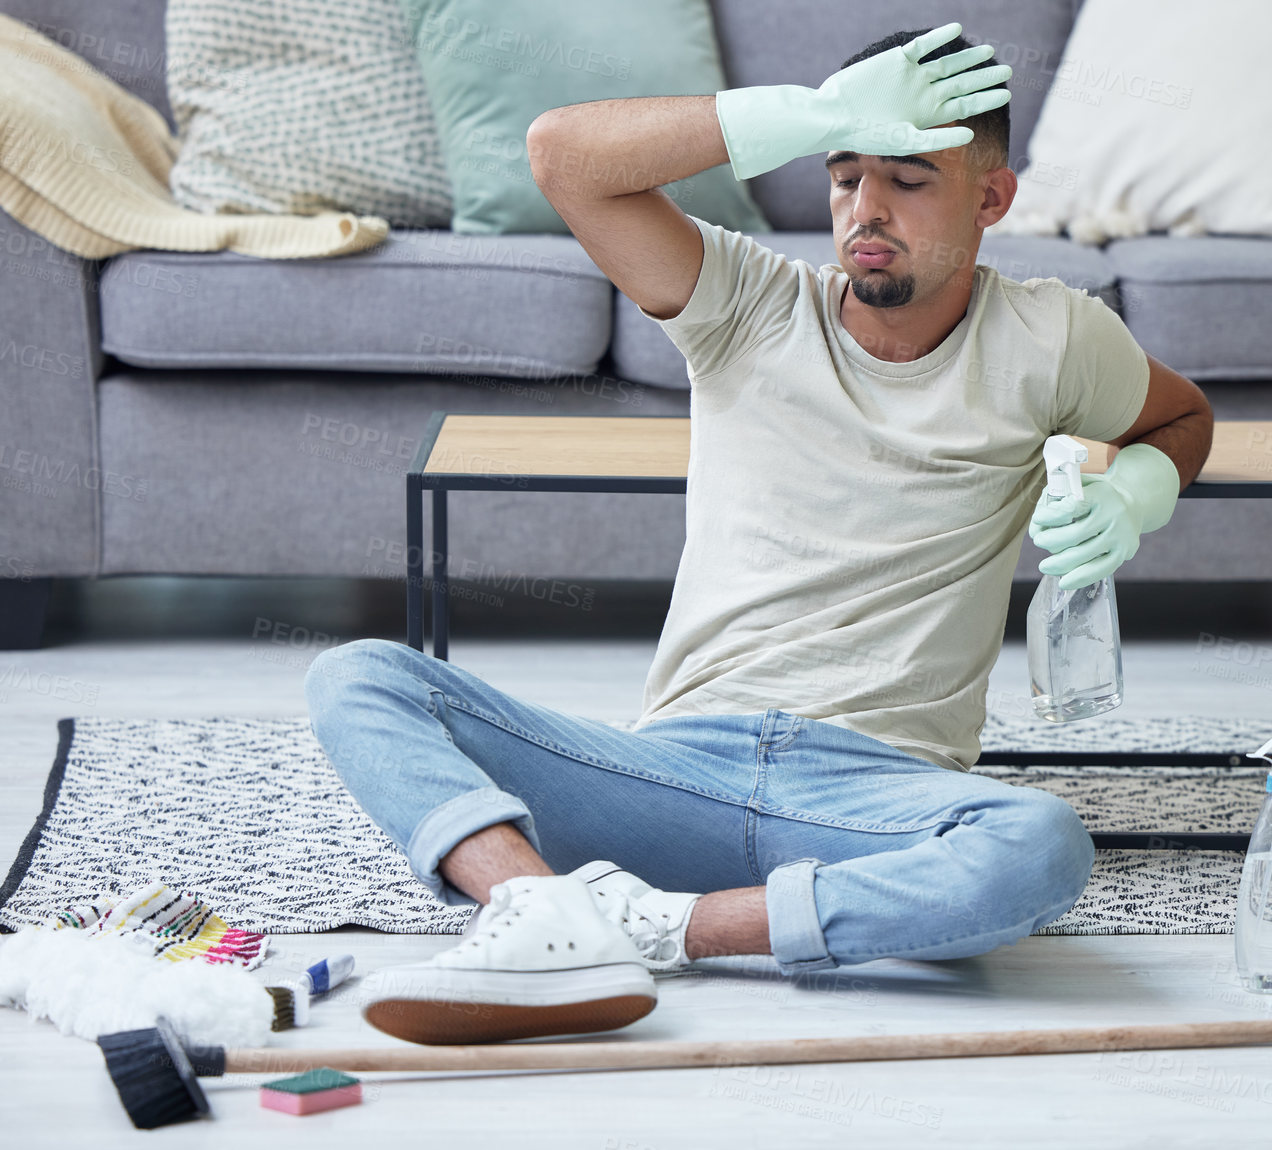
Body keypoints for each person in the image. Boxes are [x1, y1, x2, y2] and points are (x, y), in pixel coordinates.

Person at [305, 22, 1212, 1044]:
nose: (865, 209)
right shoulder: (745, 301)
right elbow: (563, 156)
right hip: (669, 775)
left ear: (991, 199)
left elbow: (1182, 420)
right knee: (359, 678)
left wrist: (1136, 490)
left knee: (1041, 843)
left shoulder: (1055, 335)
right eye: (844, 173)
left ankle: (656, 928)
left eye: (908, 178)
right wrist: (816, 108)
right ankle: (540, 909)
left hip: (870, 798)